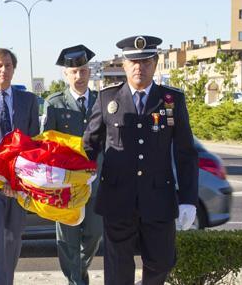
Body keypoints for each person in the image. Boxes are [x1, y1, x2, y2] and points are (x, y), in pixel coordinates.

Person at [83, 35, 199, 285]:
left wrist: (188, 199)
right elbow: (89, 145)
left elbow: (185, 152)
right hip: (117, 199)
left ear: (156, 63)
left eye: (146, 61)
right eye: (133, 62)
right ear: (124, 65)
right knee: (118, 269)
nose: (139, 67)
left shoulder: (171, 100)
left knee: (162, 262)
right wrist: (78, 176)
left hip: (158, 198)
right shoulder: (107, 99)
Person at [0, 48, 40, 285]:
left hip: (19, 183)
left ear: (14, 69)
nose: (3, 70)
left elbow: (34, 141)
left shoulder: (28, 100)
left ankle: (6, 281)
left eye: (8, 66)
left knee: (13, 239)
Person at [42, 44, 103, 285]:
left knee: (94, 235)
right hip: (66, 185)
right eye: (74, 72)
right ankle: (76, 281)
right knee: (67, 240)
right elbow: (46, 144)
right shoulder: (54, 104)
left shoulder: (102, 101)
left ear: (90, 72)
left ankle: (79, 271)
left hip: (95, 183)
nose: (79, 76)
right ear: (65, 74)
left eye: (83, 71)